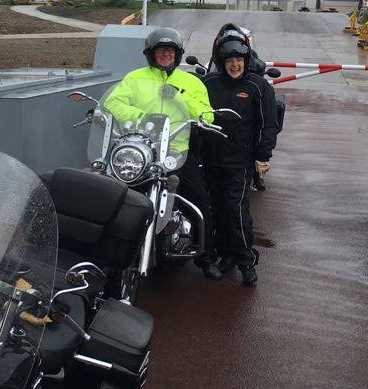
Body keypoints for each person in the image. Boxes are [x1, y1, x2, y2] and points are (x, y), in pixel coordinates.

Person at [103, 28, 215, 272]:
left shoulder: (191, 82)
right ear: (150, 54)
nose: (166, 54)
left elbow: (207, 114)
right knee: (114, 191)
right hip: (140, 149)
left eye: (170, 50)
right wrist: (142, 117)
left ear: (178, 54)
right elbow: (112, 103)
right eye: (160, 50)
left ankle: (205, 256)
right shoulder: (135, 77)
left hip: (176, 151)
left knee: (199, 198)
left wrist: (178, 96)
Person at [199, 38, 278, 286]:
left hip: (240, 161)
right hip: (211, 158)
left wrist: (263, 155)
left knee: (236, 210)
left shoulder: (257, 86)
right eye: (230, 60)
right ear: (221, 62)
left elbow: (268, 124)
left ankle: (246, 261)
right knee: (216, 208)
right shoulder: (208, 83)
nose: (235, 65)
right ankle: (226, 253)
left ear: (246, 61)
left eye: (239, 60)